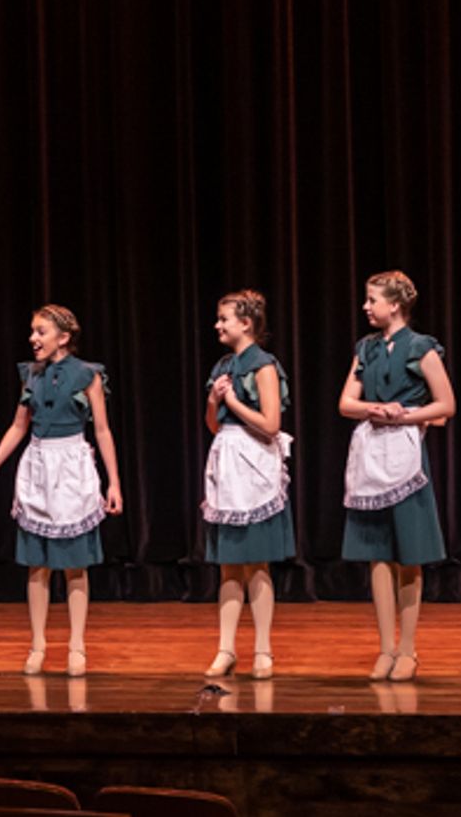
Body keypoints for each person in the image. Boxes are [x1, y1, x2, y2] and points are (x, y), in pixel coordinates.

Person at [0, 305, 123, 677]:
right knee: (37, 567)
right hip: (39, 468)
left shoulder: (88, 375)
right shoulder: (31, 375)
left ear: (63, 337)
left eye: (40, 331)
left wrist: (114, 482)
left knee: (75, 566)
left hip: (71, 466)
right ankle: (38, 645)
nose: (33, 338)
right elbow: (17, 426)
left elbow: (102, 430)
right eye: (32, 331)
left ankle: (77, 645)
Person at [338, 270, 454, 682]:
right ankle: (385, 647)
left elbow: (445, 404)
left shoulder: (421, 349)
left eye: (373, 300)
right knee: (378, 555)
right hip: (371, 454)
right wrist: (374, 409)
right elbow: (345, 403)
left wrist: (403, 414)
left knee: (410, 556)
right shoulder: (365, 349)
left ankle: (408, 649)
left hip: (405, 456)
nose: (366, 307)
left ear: (395, 304)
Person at [200, 290, 294, 680]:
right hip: (227, 465)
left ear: (246, 323)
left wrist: (234, 401)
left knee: (258, 565)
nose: (218, 325)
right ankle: (225, 649)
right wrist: (213, 401)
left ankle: (263, 650)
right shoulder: (223, 365)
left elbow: (271, 423)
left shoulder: (264, 365)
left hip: (255, 465)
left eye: (224, 319)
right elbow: (213, 424)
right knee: (228, 567)